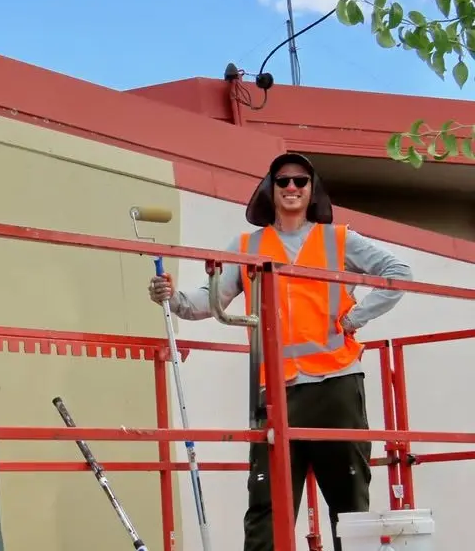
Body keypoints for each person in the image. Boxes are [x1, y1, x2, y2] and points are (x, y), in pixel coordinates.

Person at [148, 152, 412, 551]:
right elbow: (212, 299)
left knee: (349, 505)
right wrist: (175, 297)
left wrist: (355, 319)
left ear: (312, 190)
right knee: (267, 506)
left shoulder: (337, 238)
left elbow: (399, 274)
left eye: (300, 181)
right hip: (276, 390)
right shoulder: (249, 246)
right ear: (269, 190)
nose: (291, 187)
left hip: (335, 384)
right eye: (283, 181)